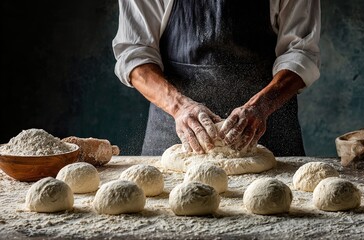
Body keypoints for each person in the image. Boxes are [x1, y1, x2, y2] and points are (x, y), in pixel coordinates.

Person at [112, 0, 321, 156]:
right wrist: (179, 107)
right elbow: (134, 54)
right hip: (176, 132)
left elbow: (301, 53)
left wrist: (262, 105)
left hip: (266, 132)